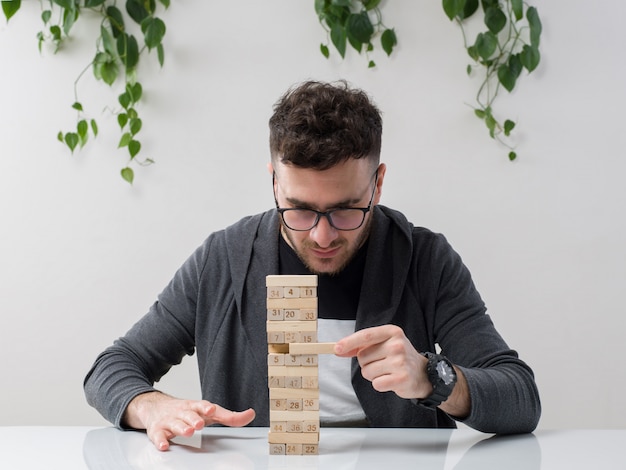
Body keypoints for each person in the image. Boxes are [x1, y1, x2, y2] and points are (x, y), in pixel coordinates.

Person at [84, 80, 541, 451]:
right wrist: (152, 406)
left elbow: (520, 397)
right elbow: (113, 366)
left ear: (378, 184)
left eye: (346, 210)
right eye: (300, 210)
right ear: (275, 185)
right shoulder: (223, 259)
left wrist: (432, 378)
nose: (323, 236)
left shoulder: (425, 259)